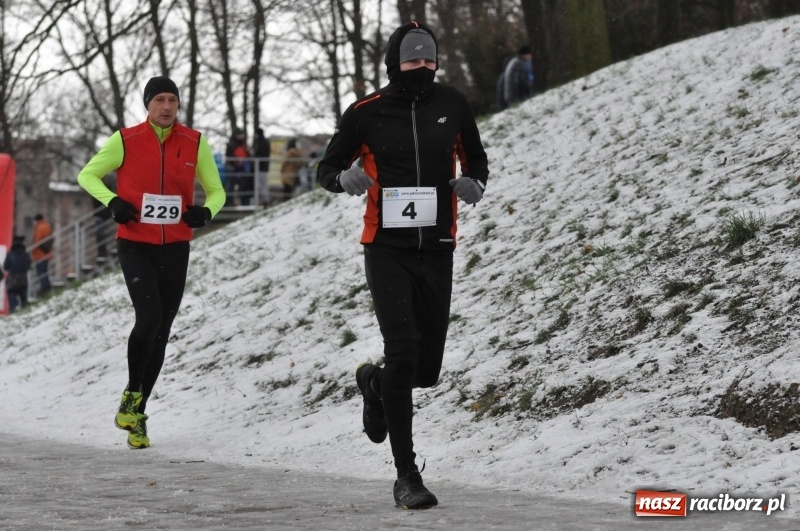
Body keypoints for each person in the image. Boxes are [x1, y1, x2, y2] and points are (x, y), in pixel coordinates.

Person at [317, 21, 489, 510]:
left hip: (437, 247)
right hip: (386, 249)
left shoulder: (452, 105)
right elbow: (325, 168)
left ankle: (374, 384)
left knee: (425, 370)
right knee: (404, 348)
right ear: (395, 63)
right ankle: (406, 475)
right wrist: (343, 179)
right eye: (413, 60)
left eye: (429, 59)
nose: (422, 68)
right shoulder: (366, 113)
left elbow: (475, 159)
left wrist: (475, 183)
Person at [77, 76, 225, 450]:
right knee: (149, 318)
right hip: (135, 244)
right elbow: (87, 174)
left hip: (175, 247)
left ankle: (136, 413)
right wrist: (112, 202)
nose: (166, 106)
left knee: (162, 330)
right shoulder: (125, 140)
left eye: (172, 100)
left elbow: (216, 190)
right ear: (147, 104)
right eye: (159, 99)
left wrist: (206, 213)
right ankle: (131, 394)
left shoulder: (195, 142)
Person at [3, 235, 32, 312]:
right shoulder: (26, 254)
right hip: (23, 280)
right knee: (23, 299)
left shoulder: (10, 254)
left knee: (12, 298)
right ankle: (25, 312)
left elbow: (5, 267)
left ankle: (13, 312)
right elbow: (29, 266)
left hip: (12, 280)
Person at [225, 128, 253, 206]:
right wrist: (237, 160)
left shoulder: (242, 143)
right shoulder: (233, 143)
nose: (242, 136)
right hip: (234, 168)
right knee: (231, 186)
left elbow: (247, 154)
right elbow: (229, 155)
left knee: (241, 186)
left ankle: (240, 203)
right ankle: (230, 203)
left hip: (240, 168)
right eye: (240, 134)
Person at [31, 213, 53, 296]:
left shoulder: (39, 227)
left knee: (40, 272)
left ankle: (44, 288)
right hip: (47, 253)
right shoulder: (47, 226)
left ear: (37, 220)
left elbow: (37, 241)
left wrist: (32, 252)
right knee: (44, 271)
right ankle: (47, 286)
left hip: (40, 254)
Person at [253, 127, 271, 205]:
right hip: (262, 166)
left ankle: (265, 200)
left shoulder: (262, 142)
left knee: (262, 184)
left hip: (261, 166)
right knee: (262, 184)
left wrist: (254, 155)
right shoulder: (263, 142)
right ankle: (264, 200)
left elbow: (260, 153)